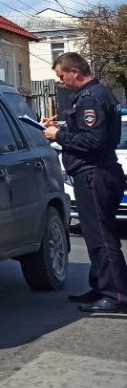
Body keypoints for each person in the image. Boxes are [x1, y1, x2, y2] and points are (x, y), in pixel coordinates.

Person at [43, 52, 127, 314]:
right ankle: (101, 286)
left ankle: (116, 296)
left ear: (75, 72)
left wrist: (59, 135)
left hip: (94, 174)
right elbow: (89, 133)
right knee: (96, 236)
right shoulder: (96, 95)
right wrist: (63, 128)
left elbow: (94, 141)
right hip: (97, 172)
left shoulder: (90, 98)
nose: (61, 82)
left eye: (62, 76)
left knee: (101, 237)